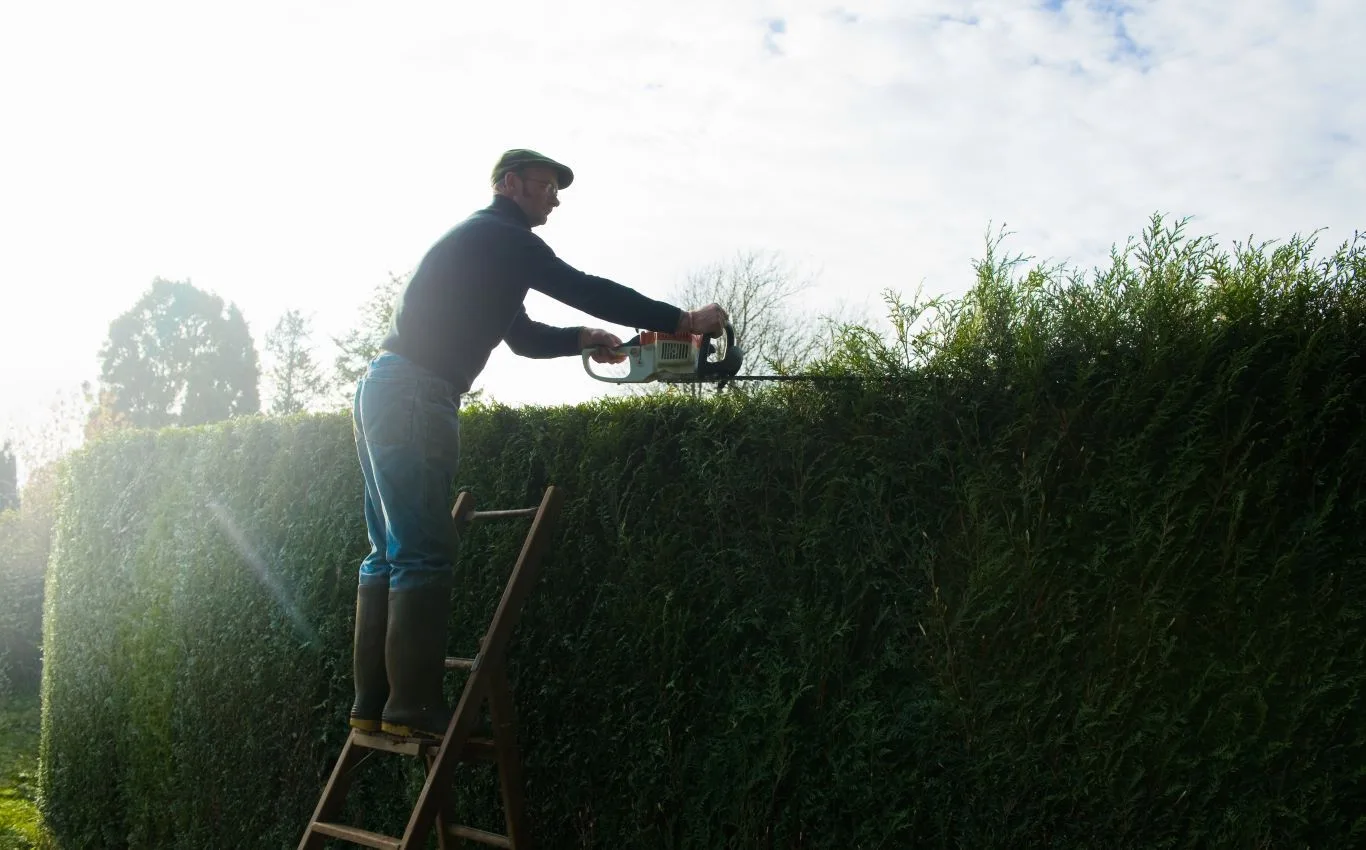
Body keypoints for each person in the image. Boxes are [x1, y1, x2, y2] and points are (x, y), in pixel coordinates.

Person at [348, 148, 729, 739]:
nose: (555, 197)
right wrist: (683, 318)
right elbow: (581, 285)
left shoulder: (484, 249)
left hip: (387, 387)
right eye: (546, 185)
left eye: (558, 189)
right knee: (424, 550)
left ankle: (371, 705)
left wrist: (582, 339)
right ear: (509, 184)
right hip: (419, 393)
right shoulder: (502, 234)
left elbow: (520, 337)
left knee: (388, 551)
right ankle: (412, 710)